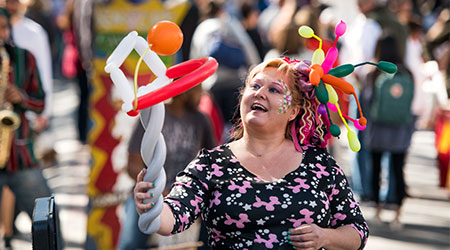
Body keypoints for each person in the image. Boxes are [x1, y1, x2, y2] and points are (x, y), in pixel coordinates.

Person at [134, 58, 369, 249]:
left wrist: (325, 237)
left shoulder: (320, 166)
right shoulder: (211, 165)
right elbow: (172, 218)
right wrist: (151, 204)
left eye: (274, 89)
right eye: (255, 86)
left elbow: (357, 231)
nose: (260, 93)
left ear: (293, 112)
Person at [119, 85, 217, 250]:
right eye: (198, 89)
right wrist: (159, 190)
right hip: (151, 193)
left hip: (190, 197)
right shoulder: (153, 117)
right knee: (130, 243)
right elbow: (132, 164)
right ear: (184, 91)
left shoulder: (202, 120)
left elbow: (213, 165)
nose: (202, 94)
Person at [0, 7, 52, 248]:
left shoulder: (24, 57)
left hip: (21, 154)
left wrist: (21, 97)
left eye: (3, 27)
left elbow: (41, 102)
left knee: (48, 220)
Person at [362, 35, 414, 229]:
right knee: (398, 169)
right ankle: (398, 215)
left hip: (378, 130)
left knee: (376, 169)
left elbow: (366, 100)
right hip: (400, 130)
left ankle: (376, 210)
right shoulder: (407, 72)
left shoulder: (373, 73)